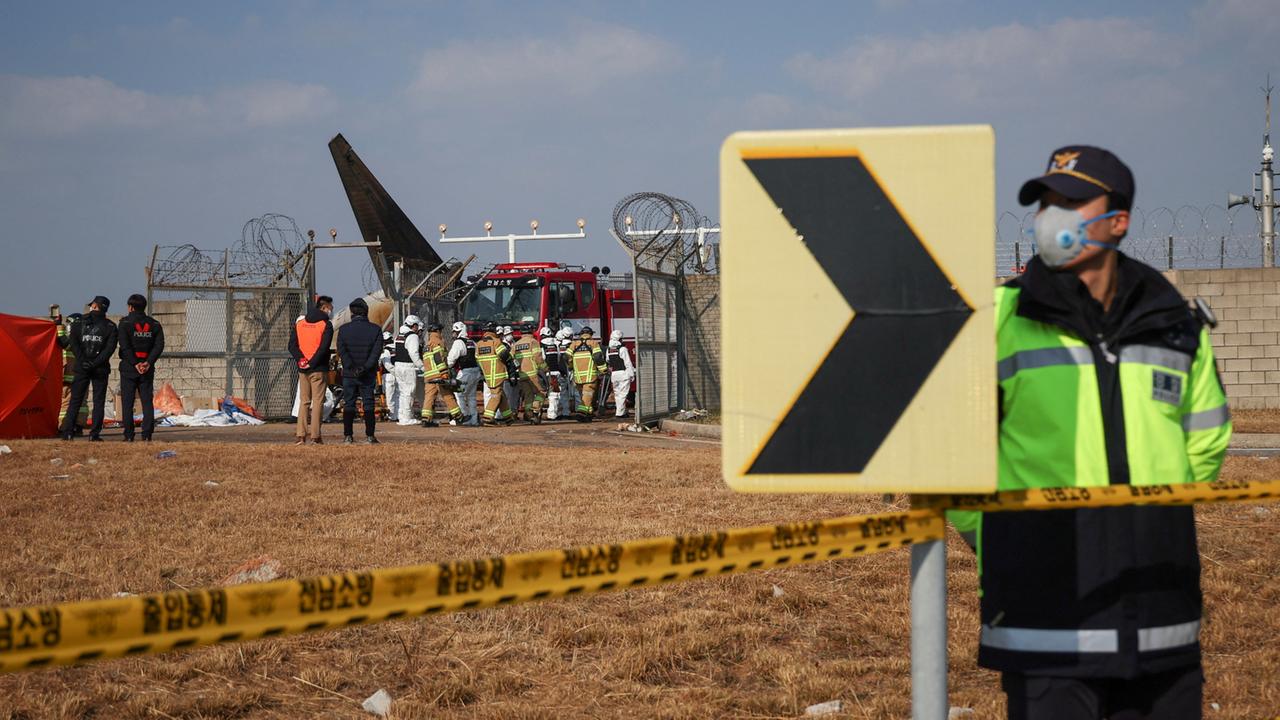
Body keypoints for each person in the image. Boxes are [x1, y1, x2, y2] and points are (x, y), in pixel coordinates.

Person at [947, 146, 1232, 720]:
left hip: (1160, 621)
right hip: (1043, 623)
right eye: (1046, 202)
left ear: (1117, 221)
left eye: (1073, 202)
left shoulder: (1174, 323)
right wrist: (1004, 537)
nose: (1053, 215)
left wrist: (1147, 524)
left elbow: (1205, 441)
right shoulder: (1001, 320)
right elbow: (952, 447)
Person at [60, 296, 117, 442]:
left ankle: (67, 432)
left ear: (95, 306)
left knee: (75, 400)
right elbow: (109, 350)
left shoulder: (79, 322)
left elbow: (73, 343)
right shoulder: (110, 326)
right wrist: (95, 362)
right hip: (100, 368)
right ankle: (94, 434)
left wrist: (83, 361)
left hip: (81, 367)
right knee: (99, 401)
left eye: (92, 304)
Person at [117, 294, 165, 442]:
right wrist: (148, 362)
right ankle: (147, 434)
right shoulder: (155, 324)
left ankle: (129, 435)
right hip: (147, 369)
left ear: (130, 307)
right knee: (146, 401)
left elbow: (125, 346)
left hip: (129, 368)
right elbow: (159, 346)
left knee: (127, 402)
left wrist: (135, 363)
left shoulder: (124, 323)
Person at [288, 295, 334, 445]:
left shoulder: (300, 323)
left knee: (304, 401)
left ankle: (300, 435)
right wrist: (312, 362)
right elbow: (323, 348)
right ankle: (315, 436)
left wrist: (302, 360)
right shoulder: (325, 325)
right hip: (318, 368)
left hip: (302, 369)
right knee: (318, 401)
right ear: (324, 308)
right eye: (330, 308)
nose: (331, 311)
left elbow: (292, 346)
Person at [337, 298, 382, 444]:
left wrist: (351, 367)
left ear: (351, 313)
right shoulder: (375, 330)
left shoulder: (343, 330)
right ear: (366, 312)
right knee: (368, 403)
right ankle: (370, 436)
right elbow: (376, 353)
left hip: (349, 373)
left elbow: (342, 352)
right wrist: (365, 367)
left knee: (349, 403)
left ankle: (348, 436)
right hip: (367, 373)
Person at [420, 322, 463, 427]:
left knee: (429, 397)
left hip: (429, 376)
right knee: (448, 395)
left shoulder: (427, 345)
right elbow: (438, 358)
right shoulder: (438, 342)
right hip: (439, 375)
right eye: (440, 330)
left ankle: (426, 419)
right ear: (438, 331)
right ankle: (459, 417)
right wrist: (444, 373)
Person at [476, 322, 513, 425]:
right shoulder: (496, 342)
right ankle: (488, 417)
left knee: (501, 395)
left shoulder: (479, 344)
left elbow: (477, 360)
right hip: (498, 374)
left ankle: (508, 417)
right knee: (496, 395)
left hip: (487, 376)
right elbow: (504, 355)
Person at [390, 315, 424, 426]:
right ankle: (407, 418)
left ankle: (402, 416)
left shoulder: (399, 335)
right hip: (407, 367)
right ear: (414, 325)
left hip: (398, 366)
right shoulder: (412, 336)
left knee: (402, 393)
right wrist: (422, 366)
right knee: (409, 392)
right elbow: (413, 353)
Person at [567, 326, 607, 422]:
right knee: (587, 395)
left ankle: (589, 414)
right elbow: (597, 357)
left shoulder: (574, 344)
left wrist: (570, 366)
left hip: (578, 377)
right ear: (591, 334)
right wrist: (603, 369)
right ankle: (582, 412)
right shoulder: (593, 343)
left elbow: (566, 357)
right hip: (590, 376)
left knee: (584, 396)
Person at [447, 320, 481, 426]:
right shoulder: (472, 342)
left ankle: (463, 417)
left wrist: (447, 367)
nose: (454, 334)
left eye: (455, 332)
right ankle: (474, 419)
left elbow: (451, 358)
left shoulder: (458, 343)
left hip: (465, 373)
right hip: (475, 373)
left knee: (459, 393)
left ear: (460, 331)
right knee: (471, 396)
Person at [512, 327, 549, 424]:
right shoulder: (533, 342)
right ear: (531, 332)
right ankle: (535, 410)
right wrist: (545, 368)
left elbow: (512, 359)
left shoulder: (516, 344)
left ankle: (529, 414)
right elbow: (537, 357)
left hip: (522, 375)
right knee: (542, 392)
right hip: (534, 373)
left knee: (528, 395)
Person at [606, 329, 635, 420]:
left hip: (614, 375)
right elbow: (627, 363)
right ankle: (620, 413)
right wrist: (631, 374)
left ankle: (621, 411)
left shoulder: (609, 350)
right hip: (623, 374)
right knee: (623, 394)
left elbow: (608, 360)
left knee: (617, 394)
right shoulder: (622, 349)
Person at [540, 327, 563, 420]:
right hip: (555, 372)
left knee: (542, 393)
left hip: (544, 372)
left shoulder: (541, 345)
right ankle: (553, 414)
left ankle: (549, 414)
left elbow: (541, 359)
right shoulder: (556, 344)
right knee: (555, 393)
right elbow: (559, 357)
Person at [555, 327, 577, 418]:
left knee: (563, 393)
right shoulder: (573, 345)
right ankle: (579, 410)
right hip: (572, 370)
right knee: (576, 392)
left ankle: (565, 412)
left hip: (561, 371)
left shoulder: (558, 345)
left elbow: (557, 359)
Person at [379, 330, 397, 420]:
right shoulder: (398, 347)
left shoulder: (386, 350)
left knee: (390, 398)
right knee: (398, 396)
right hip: (399, 375)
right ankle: (398, 415)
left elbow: (387, 365)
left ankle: (392, 416)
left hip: (389, 375)